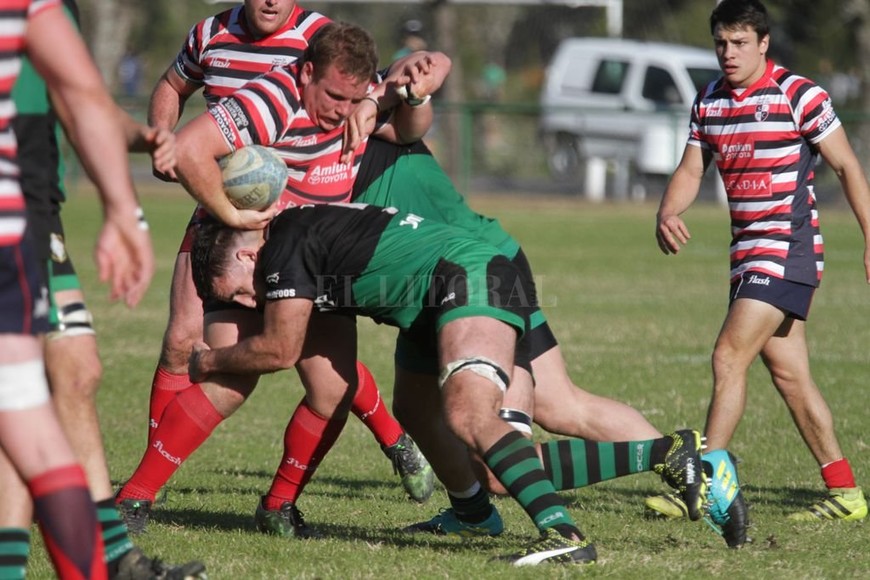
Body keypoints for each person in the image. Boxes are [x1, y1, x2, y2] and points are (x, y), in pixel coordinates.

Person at [186, 200, 705, 565]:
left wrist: (208, 363)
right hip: (428, 302)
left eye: (241, 293)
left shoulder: (280, 249)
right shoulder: (296, 231)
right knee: (433, 424)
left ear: (248, 256)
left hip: (463, 276)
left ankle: (575, 525)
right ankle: (476, 513)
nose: (250, 304)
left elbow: (280, 349)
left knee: (470, 415)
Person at [116, 21, 449, 537]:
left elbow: (412, 121)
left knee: (331, 389)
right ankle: (134, 499)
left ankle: (278, 507)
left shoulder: (358, 98)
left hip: (318, 255)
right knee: (231, 375)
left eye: (352, 97)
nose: (341, 109)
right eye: (334, 96)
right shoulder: (272, 99)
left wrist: (412, 90)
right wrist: (235, 214)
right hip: (250, 249)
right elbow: (185, 149)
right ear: (307, 72)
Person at [349, 135, 712, 535]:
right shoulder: (317, 136)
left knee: (528, 439)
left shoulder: (369, 114)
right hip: (427, 281)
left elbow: (428, 79)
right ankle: (473, 515)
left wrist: (394, 96)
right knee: (416, 407)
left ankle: (693, 468)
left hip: (477, 272)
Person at [0, 0, 208, 577]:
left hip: (31, 218)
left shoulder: (43, 11)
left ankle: (111, 558)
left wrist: (138, 149)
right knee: (30, 407)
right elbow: (79, 96)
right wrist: (126, 213)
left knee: (55, 385)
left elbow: (80, 96)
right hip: (21, 221)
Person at [653, 0, 870, 546]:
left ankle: (702, 484)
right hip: (746, 252)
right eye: (721, 43)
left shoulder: (800, 95)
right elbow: (691, 167)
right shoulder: (710, 100)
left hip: (788, 249)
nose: (729, 53)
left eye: (740, 43)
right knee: (790, 376)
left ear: (764, 43)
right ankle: (845, 493)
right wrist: (667, 210)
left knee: (728, 355)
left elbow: (846, 165)